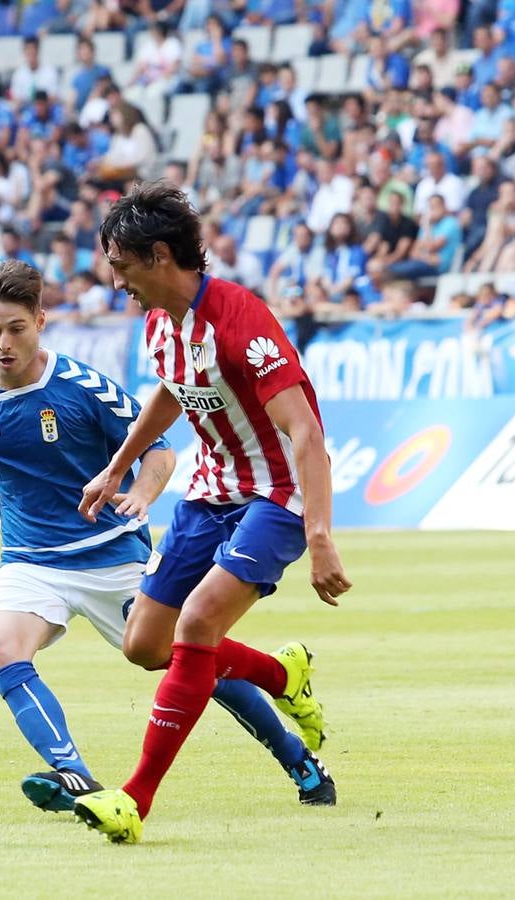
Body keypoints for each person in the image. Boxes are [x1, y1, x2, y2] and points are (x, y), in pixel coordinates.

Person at [0, 260, 336, 817]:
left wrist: (141, 493)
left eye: (16, 328)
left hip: (112, 557)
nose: (4, 343)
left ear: (40, 322)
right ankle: (76, 777)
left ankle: (295, 751)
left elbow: (159, 448)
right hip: (29, 561)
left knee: (188, 656)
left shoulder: (83, 387)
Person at [72, 182, 350, 843]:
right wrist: (118, 465)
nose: (116, 282)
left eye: (122, 266)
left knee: (197, 623)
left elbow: (305, 431)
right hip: (210, 490)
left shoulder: (239, 318)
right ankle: (280, 674)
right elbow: (172, 392)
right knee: (146, 645)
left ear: (160, 256)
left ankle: (134, 800)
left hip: (277, 495)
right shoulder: (158, 324)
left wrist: (319, 535)